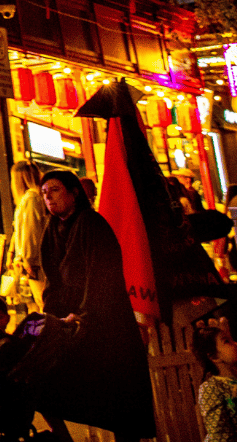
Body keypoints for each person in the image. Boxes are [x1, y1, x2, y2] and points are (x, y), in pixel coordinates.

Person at [32, 169, 154, 442]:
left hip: (105, 323)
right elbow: (51, 279)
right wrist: (51, 318)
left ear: (74, 193)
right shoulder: (51, 230)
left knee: (118, 396)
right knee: (44, 382)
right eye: (44, 193)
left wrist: (85, 314)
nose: (49, 198)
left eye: (55, 190)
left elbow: (101, 275)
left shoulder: (91, 223)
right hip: (69, 322)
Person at [194, 317, 237, 442]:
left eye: (233, 339)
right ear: (214, 357)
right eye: (227, 341)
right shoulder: (213, 388)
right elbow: (220, 434)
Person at [7, 160, 46, 312]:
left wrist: (28, 261)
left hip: (34, 264)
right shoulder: (34, 197)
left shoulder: (30, 199)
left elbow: (31, 232)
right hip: (34, 262)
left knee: (41, 302)